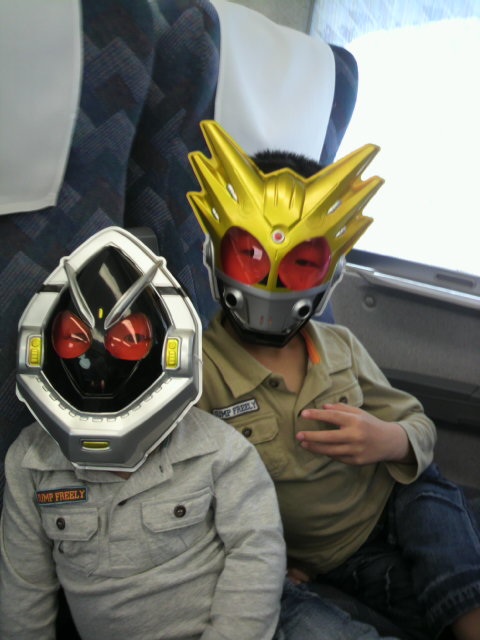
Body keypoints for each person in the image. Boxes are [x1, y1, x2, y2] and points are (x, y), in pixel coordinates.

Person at [0, 226, 404, 640]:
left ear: (169, 349)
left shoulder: (217, 449)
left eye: (130, 340)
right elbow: (24, 592)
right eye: (73, 339)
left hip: (250, 622)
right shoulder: (32, 465)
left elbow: (256, 550)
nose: (98, 358)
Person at [188, 120, 480, 640]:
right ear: (216, 253)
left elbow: (416, 423)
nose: (273, 280)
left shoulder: (339, 346)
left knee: (438, 519)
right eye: (249, 255)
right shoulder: (201, 373)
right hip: (335, 556)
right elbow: (192, 494)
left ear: (328, 273)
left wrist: (390, 439)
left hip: (400, 498)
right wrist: (262, 558)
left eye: (302, 263)